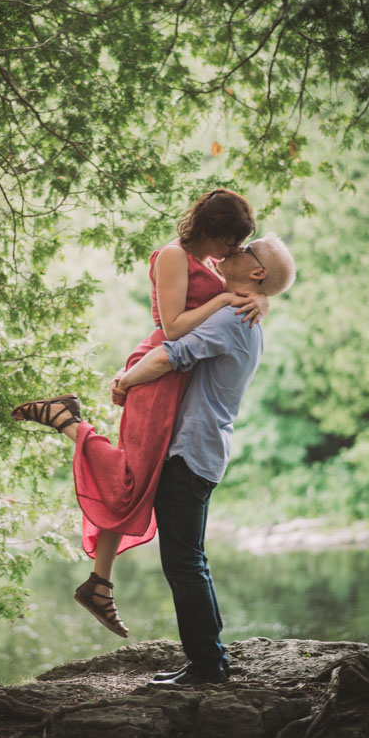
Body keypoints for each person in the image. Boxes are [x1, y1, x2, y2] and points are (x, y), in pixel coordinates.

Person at [12, 189, 268, 638]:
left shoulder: (212, 266)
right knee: (133, 477)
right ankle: (68, 423)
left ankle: (100, 583)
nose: (233, 250)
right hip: (160, 370)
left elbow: (245, 293)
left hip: (177, 378)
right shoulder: (173, 256)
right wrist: (224, 302)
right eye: (232, 239)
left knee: (139, 480)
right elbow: (172, 327)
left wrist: (257, 300)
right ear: (213, 229)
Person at [112, 233, 296, 685]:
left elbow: (172, 355)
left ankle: (207, 665)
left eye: (246, 248)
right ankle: (209, 658)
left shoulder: (235, 317)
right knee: (190, 559)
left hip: (190, 451)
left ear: (256, 273)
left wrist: (124, 381)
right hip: (202, 450)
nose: (234, 248)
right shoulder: (241, 311)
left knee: (184, 563)